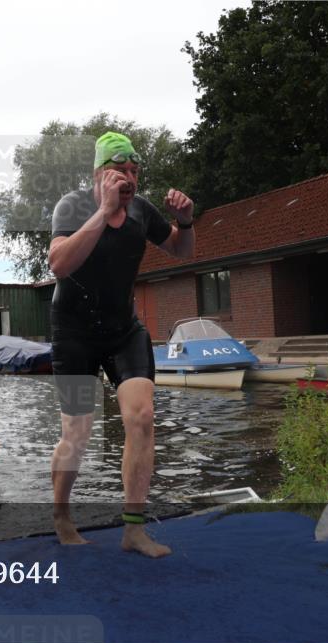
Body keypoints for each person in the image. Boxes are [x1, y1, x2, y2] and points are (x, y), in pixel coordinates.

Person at [47, 131, 196, 558]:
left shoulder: (142, 212)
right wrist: (104, 212)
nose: (129, 178)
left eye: (134, 171)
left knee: (142, 416)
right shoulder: (72, 206)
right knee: (76, 433)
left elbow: (182, 251)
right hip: (73, 334)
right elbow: (58, 264)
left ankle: (133, 529)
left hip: (123, 331)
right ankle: (61, 516)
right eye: (120, 171)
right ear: (99, 174)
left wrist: (185, 221)